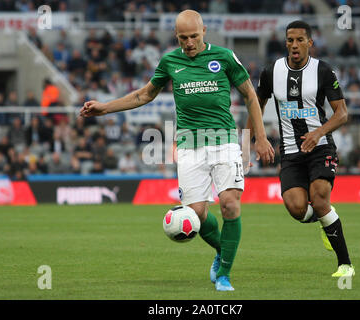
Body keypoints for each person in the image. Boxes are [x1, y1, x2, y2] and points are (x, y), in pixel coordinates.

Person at [80, 10, 274, 291]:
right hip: (189, 146)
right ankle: (222, 250)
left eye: (194, 36)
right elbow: (144, 94)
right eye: (183, 38)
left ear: (204, 31)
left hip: (224, 141)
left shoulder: (224, 57)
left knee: (230, 204)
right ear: (176, 37)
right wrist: (105, 107)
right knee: (196, 214)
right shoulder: (170, 61)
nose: (189, 42)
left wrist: (259, 138)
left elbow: (250, 95)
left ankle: (224, 276)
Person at [245, 20, 355, 278]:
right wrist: (248, 142)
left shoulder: (323, 71)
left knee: (319, 198)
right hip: (291, 151)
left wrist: (318, 133)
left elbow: (342, 114)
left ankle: (345, 264)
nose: (294, 45)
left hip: (320, 147)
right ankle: (325, 222)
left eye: (300, 40)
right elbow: (255, 105)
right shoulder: (271, 72)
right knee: (296, 208)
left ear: (310, 43)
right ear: (286, 43)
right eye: (290, 40)